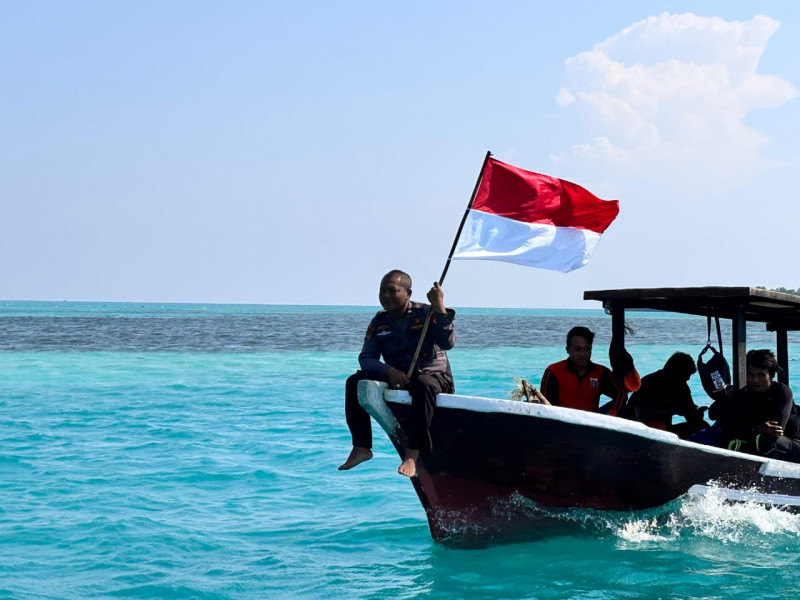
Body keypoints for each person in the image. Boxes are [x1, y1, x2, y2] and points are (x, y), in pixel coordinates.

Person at [338, 269, 456, 478]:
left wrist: (439, 306)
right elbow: (366, 358)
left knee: (423, 384)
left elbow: (448, 343)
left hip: (433, 378)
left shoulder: (426, 313)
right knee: (354, 381)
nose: (386, 296)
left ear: (408, 293)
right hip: (399, 376)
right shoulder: (379, 321)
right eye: (382, 291)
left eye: (392, 291)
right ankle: (361, 447)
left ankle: (412, 453)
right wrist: (389, 371)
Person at [696, 349, 794, 457]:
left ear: (770, 376)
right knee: (723, 434)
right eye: (751, 374)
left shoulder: (782, 392)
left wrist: (750, 429)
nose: (755, 380)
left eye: (761, 375)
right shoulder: (743, 391)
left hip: (789, 443)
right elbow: (714, 415)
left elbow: (776, 431)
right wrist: (727, 398)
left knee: (766, 441)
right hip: (754, 437)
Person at [540, 326, 626, 415]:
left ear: (591, 349)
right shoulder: (553, 371)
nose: (582, 354)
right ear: (567, 350)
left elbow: (621, 394)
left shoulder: (601, 372)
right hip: (561, 420)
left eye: (586, 349)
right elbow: (544, 404)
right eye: (577, 349)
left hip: (591, 422)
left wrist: (613, 412)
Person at [623, 352, 707, 437]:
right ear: (673, 373)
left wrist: (696, 413)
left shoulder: (682, 387)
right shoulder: (648, 383)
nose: (687, 379)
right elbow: (640, 414)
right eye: (684, 376)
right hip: (639, 431)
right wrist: (675, 409)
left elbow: (690, 417)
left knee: (702, 426)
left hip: (665, 432)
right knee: (658, 425)